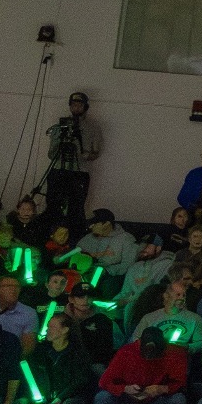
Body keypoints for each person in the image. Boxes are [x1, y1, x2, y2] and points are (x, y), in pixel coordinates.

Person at [1, 310, 94, 404]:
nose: (47, 330)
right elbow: (32, 377)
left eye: (52, 327)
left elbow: (80, 381)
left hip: (68, 398)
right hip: (42, 397)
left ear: (65, 330)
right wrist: (40, 399)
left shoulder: (78, 353)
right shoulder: (40, 351)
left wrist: (60, 398)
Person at [44, 91, 101, 233]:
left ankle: (74, 237)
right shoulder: (60, 126)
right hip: (58, 168)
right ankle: (52, 234)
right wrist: (59, 140)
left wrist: (84, 154)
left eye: (79, 105)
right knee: (53, 204)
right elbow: (51, 154)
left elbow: (96, 153)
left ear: (85, 107)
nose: (76, 108)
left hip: (79, 171)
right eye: (73, 105)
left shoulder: (93, 128)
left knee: (76, 207)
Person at [133, 275, 202, 359]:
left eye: (184, 295)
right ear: (166, 296)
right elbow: (135, 339)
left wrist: (186, 347)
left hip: (179, 359)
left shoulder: (194, 319)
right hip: (154, 358)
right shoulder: (149, 318)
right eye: (178, 295)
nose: (182, 298)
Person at [75, 209, 136, 281]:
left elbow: (128, 264)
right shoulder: (88, 238)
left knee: (94, 281)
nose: (90, 227)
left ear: (106, 224)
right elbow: (76, 254)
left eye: (94, 224)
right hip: (83, 272)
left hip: (110, 276)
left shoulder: (126, 239)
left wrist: (106, 271)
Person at [0, 274, 38, 353]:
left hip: (13, 358)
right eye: (8, 286)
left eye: (17, 286)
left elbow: (28, 347)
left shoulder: (29, 313)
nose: (13, 289)